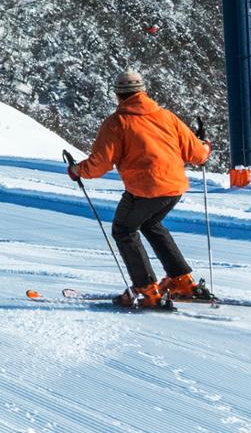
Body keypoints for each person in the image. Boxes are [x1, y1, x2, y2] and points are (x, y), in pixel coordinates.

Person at [68, 68, 211, 308]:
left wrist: (76, 171)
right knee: (151, 224)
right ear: (143, 91)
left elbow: (100, 164)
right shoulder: (167, 116)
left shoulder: (117, 122)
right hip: (174, 187)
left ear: (118, 95)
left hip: (145, 189)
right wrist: (205, 147)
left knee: (124, 230)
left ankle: (146, 289)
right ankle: (182, 282)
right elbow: (198, 154)